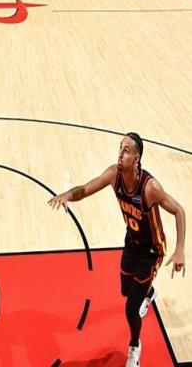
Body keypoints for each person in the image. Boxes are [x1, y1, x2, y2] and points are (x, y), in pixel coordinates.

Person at [48, 132, 186, 367]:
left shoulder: (150, 187)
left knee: (131, 308)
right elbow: (86, 189)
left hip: (151, 251)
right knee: (125, 289)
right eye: (120, 147)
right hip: (131, 242)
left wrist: (180, 248)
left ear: (136, 158)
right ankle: (149, 292)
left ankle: (134, 346)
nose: (120, 153)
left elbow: (179, 210)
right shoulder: (114, 174)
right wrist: (67, 195)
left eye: (126, 150)